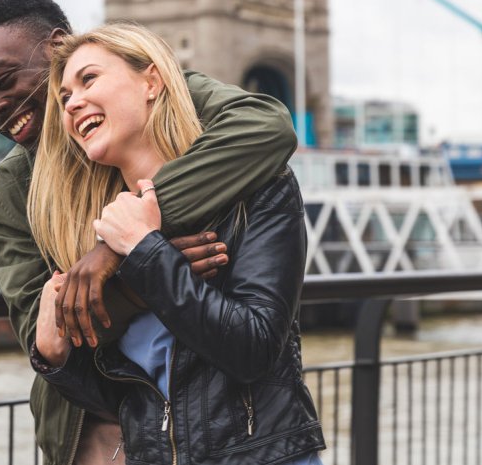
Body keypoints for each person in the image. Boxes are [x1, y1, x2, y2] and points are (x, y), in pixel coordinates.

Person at [0, 0, 298, 464]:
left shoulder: (151, 89)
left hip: (220, 431)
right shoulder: (12, 188)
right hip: (93, 429)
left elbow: (268, 128)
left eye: (4, 79)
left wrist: (118, 248)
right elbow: (48, 339)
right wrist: (142, 271)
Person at [30, 23, 324, 464]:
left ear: (151, 82)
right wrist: (55, 357)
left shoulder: (259, 189)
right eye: (64, 96)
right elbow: (123, 399)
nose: (72, 102)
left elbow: (254, 350)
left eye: (88, 79)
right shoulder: (99, 231)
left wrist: (146, 250)